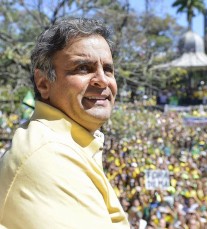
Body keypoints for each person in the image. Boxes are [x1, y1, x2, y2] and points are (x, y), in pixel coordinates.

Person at [0, 18, 130, 228]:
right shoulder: (49, 153)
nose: (102, 80)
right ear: (43, 83)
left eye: (107, 69)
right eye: (83, 68)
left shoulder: (70, 143)